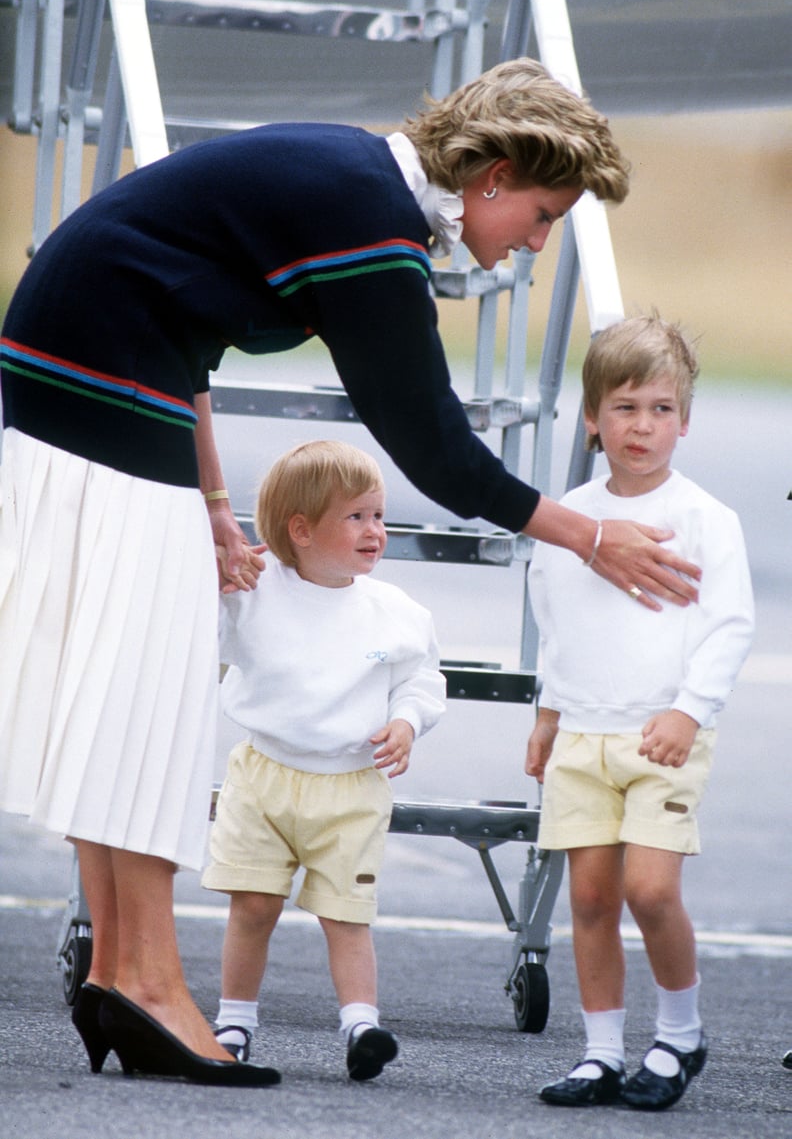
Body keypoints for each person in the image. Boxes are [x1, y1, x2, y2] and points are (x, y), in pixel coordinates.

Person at [0, 57, 702, 1083]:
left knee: (119, 685)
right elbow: (430, 439)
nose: (537, 246)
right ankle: (145, 980)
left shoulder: (351, 181)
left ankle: (120, 970)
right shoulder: (373, 225)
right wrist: (588, 532)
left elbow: (190, 322)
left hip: (85, 363)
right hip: (101, 373)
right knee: (143, 683)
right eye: (544, 215)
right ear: (493, 176)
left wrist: (205, 500)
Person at [525, 313, 754, 1111]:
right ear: (592, 417)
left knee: (651, 891)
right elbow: (556, 623)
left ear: (684, 420)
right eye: (624, 407)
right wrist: (550, 712)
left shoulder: (706, 518)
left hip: (664, 735)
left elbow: (729, 625)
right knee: (588, 897)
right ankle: (599, 1052)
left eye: (660, 408)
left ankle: (680, 1034)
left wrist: (690, 711)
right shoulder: (570, 518)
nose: (642, 425)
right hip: (584, 731)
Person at [201, 439, 445, 1081]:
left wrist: (406, 720)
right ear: (301, 531)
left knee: (346, 915)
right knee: (252, 906)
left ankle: (361, 1024)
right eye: (356, 517)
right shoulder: (251, 595)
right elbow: (194, 632)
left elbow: (422, 680)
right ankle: (234, 1021)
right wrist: (216, 574)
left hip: (351, 785)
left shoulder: (395, 612)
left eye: (378, 515)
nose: (376, 531)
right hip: (264, 777)